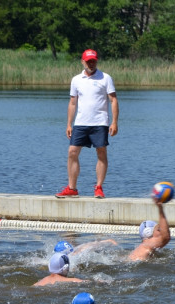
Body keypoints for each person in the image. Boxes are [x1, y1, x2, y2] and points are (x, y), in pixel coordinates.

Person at [56, 49, 119, 199]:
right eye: (88, 61)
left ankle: (98, 188)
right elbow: (72, 103)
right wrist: (69, 124)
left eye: (94, 61)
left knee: (101, 153)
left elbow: (113, 100)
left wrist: (114, 122)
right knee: (72, 152)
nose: (91, 63)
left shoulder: (105, 78)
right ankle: (72, 188)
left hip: (100, 123)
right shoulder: (76, 80)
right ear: (82, 61)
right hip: (81, 123)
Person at [128, 196, 171, 261]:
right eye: (158, 229)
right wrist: (160, 208)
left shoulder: (143, 247)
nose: (161, 231)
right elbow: (166, 237)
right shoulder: (148, 244)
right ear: (148, 232)